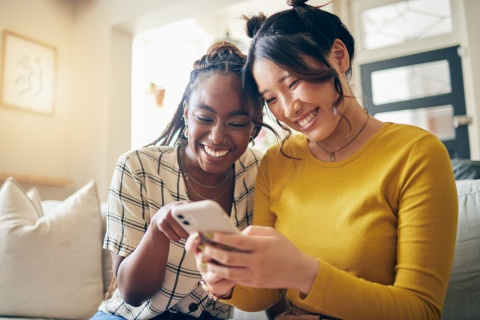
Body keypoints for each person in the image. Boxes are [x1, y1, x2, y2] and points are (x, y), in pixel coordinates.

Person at [185, 1, 459, 319]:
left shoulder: (416, 154)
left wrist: (305, 274)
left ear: (338, 56)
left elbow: (420, 310)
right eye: (271, 98)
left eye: (292, 82)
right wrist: (225, 284)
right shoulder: (277, 162)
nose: (288, 109)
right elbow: (263, 294)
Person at [90, 41, 270, 320]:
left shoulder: (260, 172)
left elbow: (268, 273)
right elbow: (132, 294)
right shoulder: (136, 167)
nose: (217, 136)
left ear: (254, 127)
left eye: (235, 123)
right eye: (204, 118)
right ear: (186, 113)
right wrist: (157, 230)